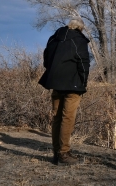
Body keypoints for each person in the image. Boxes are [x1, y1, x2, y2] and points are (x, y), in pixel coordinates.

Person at [38, 18, 90, 166]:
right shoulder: (79, 40)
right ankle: (64, 154)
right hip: (73, 85)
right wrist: (83, 82)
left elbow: (46, 59)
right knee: (68, 118)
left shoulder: (53, 38)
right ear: (80, 28)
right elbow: (83, 63)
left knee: (57, 118)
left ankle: (57, 153)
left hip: (55, 83)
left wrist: (53, 72)